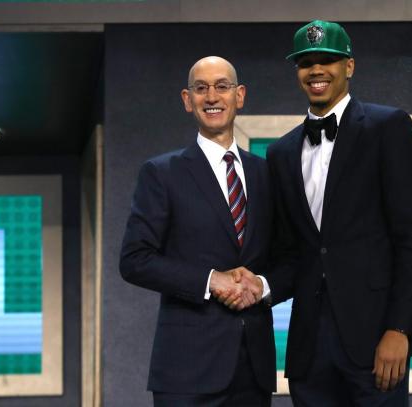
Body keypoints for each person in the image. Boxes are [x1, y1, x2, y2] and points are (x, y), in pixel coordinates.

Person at [263, 20, 412, 406]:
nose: (316, 71)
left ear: (349, 67)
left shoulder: (388, 126)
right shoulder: (281, 152)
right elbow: (292, 253)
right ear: (298, 73)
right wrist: (257, 285)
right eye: (306, 63)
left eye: (328, 60)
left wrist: (399, 328)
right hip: (309, 351)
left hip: (376, 343)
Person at [119, 56, 275, 407]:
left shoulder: (268, 175)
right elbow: (134, 259)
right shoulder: (161, 173)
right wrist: (211, 281)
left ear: (240, 95)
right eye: (200, 88)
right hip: (186, 375)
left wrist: (261, 285)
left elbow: (291, 258)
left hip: (254, 371)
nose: (212, 96)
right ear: (187, 100)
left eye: (222, 86)